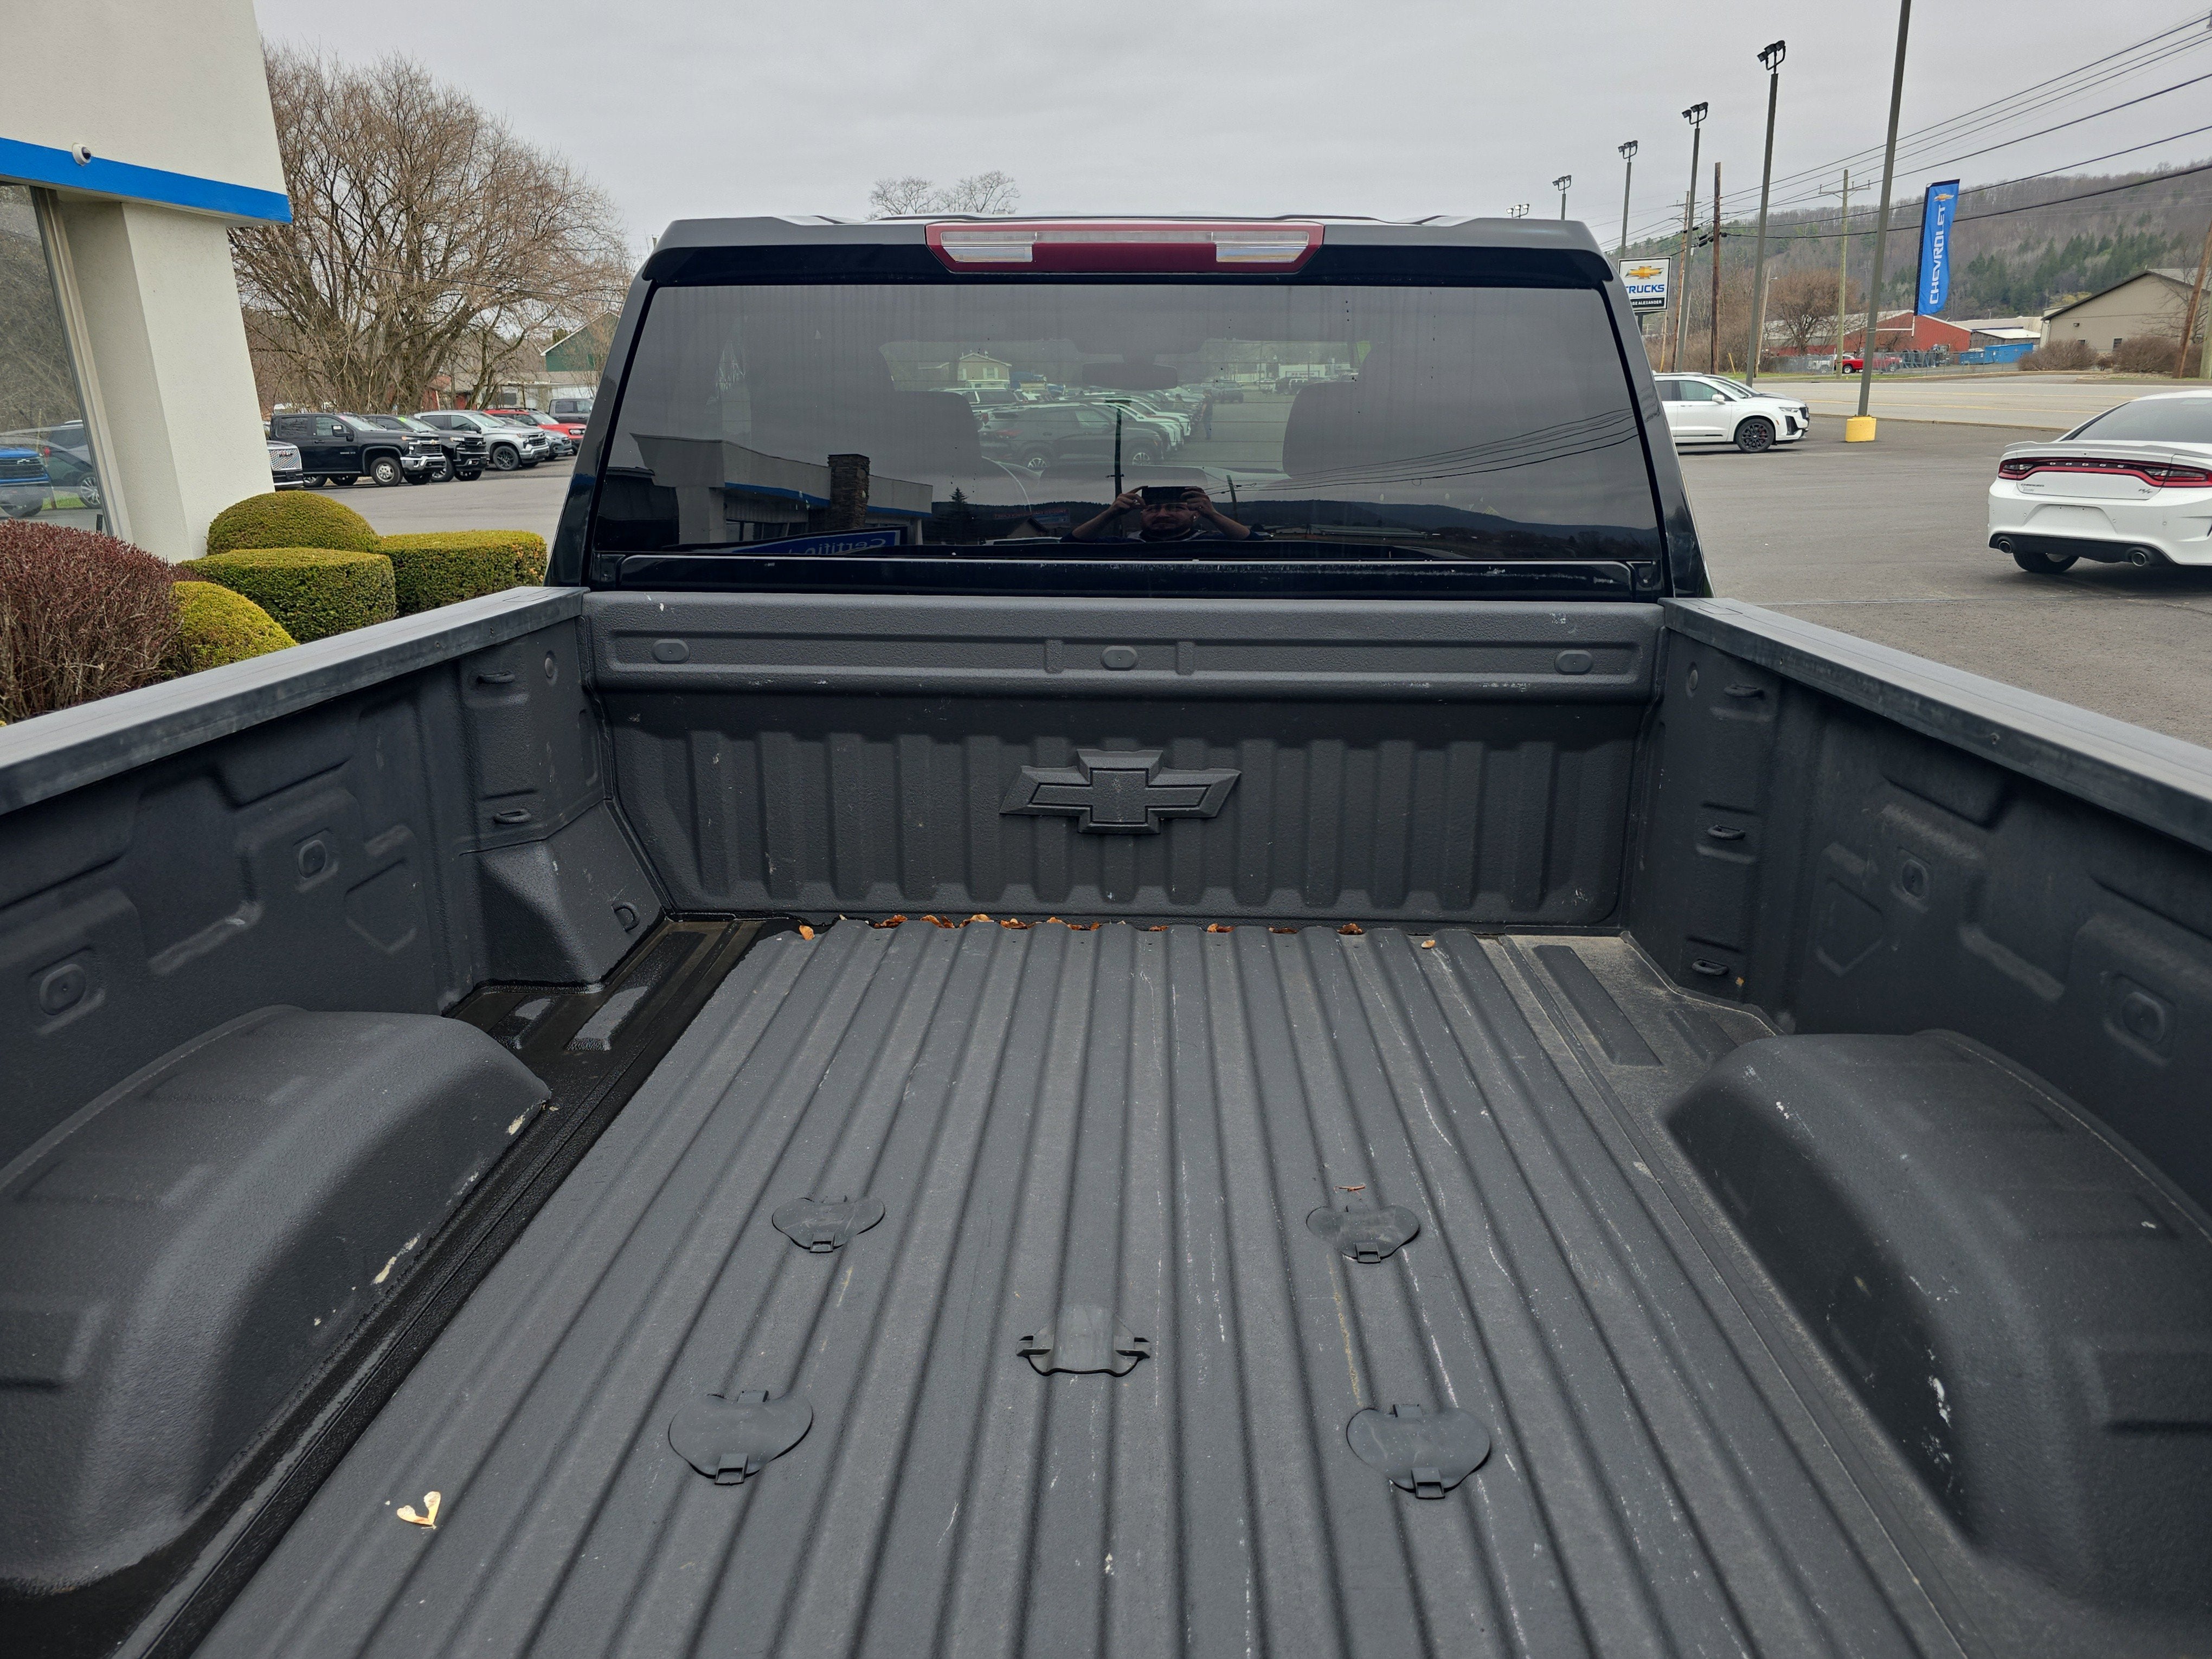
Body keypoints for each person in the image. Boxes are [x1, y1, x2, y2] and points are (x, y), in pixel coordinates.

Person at [1067, 486, 1262, 544]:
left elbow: (1254, 545)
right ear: (1140, 515)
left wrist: (1213, 514)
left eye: (1174, 508)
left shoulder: (1211, 543)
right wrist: (1111, 513)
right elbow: (1070, 545)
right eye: (1152, 509)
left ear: (1196, 515)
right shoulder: (1124, 545)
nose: (1162, 514)